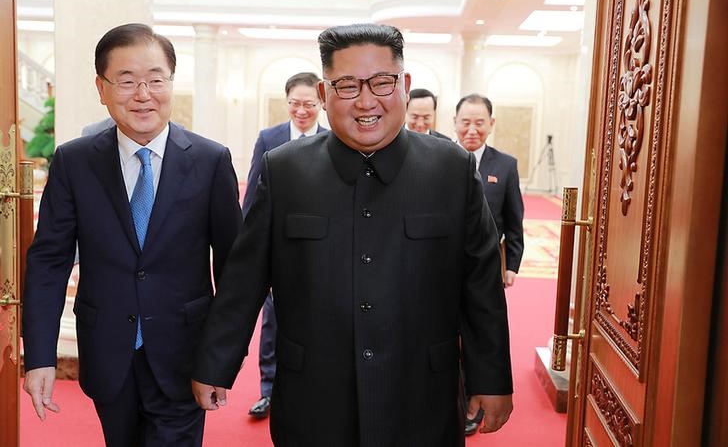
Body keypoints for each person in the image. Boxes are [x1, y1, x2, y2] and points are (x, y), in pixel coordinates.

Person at [192, 23, 513, 446]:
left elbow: (480, 284)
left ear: (405, 84)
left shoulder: (451, 170)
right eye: (346, 86)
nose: (366, 101)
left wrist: (490, 377)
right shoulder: (284, 170)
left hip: (421, 395)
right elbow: (244, 277)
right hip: (315, 395)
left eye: (382, 82)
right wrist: (216, 363)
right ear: (324, 96)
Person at [22, 23, 243, 447]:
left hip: (184, 357)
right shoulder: (75, 161)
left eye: (155, 80)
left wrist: (220, 361)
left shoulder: (211, 161)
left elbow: (235, 270)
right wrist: (41, 357)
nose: (143, 94)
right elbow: (49, 261)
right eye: (126, 81)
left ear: (171, 83)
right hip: (108, 352)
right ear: (101, 88)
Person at [242, 71, 328, 420]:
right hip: (277, 246)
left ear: (321, 103)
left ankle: (316, 390)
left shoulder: (335, 138)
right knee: (273, 318)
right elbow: (253, 194)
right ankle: (268, 390)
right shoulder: (269, 138)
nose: (301, 110)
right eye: (295, 103)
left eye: (309, 104)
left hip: (321, 250)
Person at [453, 93, 524, 436]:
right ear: (454, 123)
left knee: (480, 329)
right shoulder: (443, 159)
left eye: (479, 122)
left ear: (491, 125)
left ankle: (474, 402)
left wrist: (512, 264)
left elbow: (514, 218)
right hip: (445, 265)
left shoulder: (505, 165)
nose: (472, 129)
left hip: (487, 265)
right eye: (465, 122)